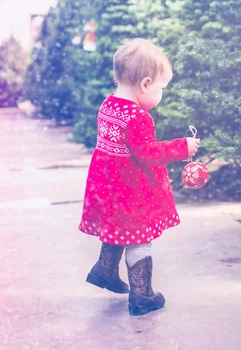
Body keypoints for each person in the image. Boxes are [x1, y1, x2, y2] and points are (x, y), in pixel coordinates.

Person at [78, 38, 200, 316]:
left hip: (108, 185)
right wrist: (183, 147)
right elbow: (148, 153)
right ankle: (142, 296)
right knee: (139, 238)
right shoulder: (137, 116)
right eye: (161, 88)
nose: (161, 94)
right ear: (145, 84)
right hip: (131, 189)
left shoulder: (109, 105)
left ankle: (105, 270)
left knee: (118, 228)